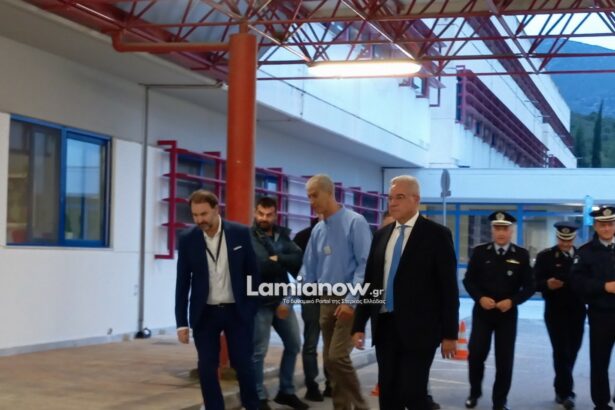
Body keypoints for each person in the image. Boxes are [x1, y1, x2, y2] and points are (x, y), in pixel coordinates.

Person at [352, 175, 459, 410]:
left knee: (412, 393)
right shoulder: (381, 236)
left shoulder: (437, 235)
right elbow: (370, 283)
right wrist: (359, 324)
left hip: (421, 330)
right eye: (390, 198)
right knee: (388, 395)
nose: (393, 203)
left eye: (399, 197)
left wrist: (450, 334)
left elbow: (448, 289)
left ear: (415, 199)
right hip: (385, 327)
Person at [175, 189, 260, 410]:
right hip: (205, 313)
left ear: (216, 209)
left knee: (244, 365)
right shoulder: (187, 239)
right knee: (206, 366)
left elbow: (253, 274)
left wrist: (251, 308)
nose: (199, 220)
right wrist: (181, 323)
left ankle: (252, 406)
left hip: (237, 311)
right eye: (195, 215)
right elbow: (182, 283)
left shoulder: (240, 233)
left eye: (203, 214)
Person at [300, 174, 371, 410]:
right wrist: (288, 299)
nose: (311, 201)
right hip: (326, 299)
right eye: (308, 196)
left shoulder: (355, 222)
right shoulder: (318, 230)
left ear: (330, 193)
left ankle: (361, 406)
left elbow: (365, 265)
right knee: (331, 362)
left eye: (314, 195)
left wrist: (351, 301)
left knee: (337, 357)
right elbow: (307, 270)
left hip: (348, 299)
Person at [463, 211, 534, 410]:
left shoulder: (521, 255)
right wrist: (480, 298)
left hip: (507, 315)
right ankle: (474, 392)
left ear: (511, 231)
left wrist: (512, 301)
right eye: (497, 228)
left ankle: (500, 401)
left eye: (505, 228)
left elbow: (530, 286)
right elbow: (468, 281)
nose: (501, 232)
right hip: (483, 313)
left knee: (504, 360)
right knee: (476, 354)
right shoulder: (480, 252)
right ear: (492, 230)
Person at [250, 197, 309, 410]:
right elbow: (259, 267)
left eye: (268, 215)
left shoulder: (282, 236)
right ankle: (258, 396)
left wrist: (277, 259)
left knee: (294, 344)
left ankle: (286, 391)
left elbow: (300, 260)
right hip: (259, 301)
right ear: (255, 213)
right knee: (258, 351)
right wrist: (281, 260)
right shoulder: (249, 237)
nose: (264, 218)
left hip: (283, 300)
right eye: (261, 214)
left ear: (275, 215)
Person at [534, 222, 586, 410]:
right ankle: (566, 393)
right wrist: (547, 284)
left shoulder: (582, 256)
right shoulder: (545, 256)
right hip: (555, 311)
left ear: (574, 238)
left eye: (569, 240)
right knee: (561, 351)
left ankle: (560, 386)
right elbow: (533, 282)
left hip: (578, 311)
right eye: (562, 240)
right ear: (557, 237)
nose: (565, 243)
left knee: (573, 350)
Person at [570, 206, 615, 410]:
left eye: (610, 224)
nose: (606, 228)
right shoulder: (586, 252)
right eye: (602, 225)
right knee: (599, 362)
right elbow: (576, 282)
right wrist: (604, 286)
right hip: (601, 314)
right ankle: (601, 403)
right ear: (596, 226)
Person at [293, 216, 332, 401]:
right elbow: (294, 265)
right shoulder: (303, 236)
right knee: (311, 342)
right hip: (311, 296)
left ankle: (331, 384)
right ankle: (312, 386)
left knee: (331, 344)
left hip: (333, 295)